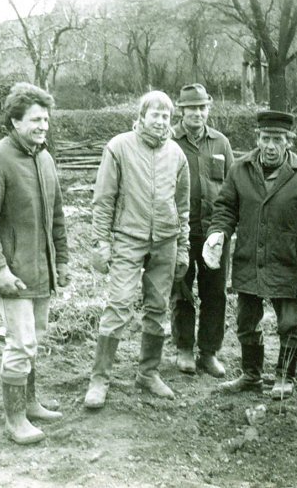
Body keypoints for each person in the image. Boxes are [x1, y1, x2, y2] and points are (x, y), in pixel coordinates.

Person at [0, 82, 68, 445]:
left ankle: (29, 401)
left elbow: (57, 215)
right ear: (15, 121)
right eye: (35, 120)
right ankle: (15, 420)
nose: (43, 126)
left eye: (46, 119)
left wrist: (64, 259)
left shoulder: (44, 157)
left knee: (34, 339)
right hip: (13, 273)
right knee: (21, 342)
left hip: (42, 271)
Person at [203, 110, 297, 400]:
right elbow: (225, 208)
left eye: (278, 139)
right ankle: (251, 375)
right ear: (257, 139)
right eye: (266, 138)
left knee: (289, 324)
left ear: (289, 142)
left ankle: (285, 376)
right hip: (250, 260)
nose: (271, 146)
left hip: (287, 263)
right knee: (247, 322)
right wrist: (217, 233)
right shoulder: (240, 170)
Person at [84, 90, 190, 408]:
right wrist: (100, 242)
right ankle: (100, 379)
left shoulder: (177, 155)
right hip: (128, 238)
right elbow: (103, 200)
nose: (160, 121)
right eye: (154, 114)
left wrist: (182, 246)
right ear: (142, 116)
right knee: (118, 306)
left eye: (166, 116)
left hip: (165, 241)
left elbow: (182, 206)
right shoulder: (119, 147)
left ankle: (147, 373)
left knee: (158, 308)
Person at [171, 83, 234, 377]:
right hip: (180, 232)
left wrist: (226, 228)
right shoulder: (169, 141)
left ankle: (208, 352)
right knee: (181, 290)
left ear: (208, 108)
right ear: (180, 110)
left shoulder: (220, 143)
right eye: (191, 108)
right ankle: (184, 349)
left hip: (215, 233)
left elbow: (232, 188)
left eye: (202, 107)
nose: (197, 113)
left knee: (215, 293)